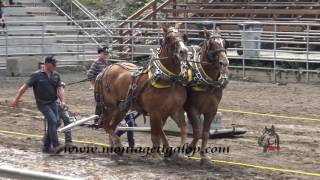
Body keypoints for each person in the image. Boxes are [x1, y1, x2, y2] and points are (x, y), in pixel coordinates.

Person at [12, 56, 65, 154]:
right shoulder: (36, 75)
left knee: (57, 122)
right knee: (53, 121)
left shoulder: (56, 75)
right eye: (54, 64)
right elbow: (24, 87)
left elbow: (60, 89)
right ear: (47, 64)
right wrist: (16, 99)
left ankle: (46, 146)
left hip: (53, 102)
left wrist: (63, 101)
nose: (55, 66)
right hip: (43, 104)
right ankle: (56, 145)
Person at [87, 46, 111, 126]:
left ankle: (103, 120)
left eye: (107, 54)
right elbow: (90, 74)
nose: (106, 56)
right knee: (99, 104)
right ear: (100, 54)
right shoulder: (96, 63)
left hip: (106, 88)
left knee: (106, 104)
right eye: (104, 54)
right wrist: (95, 84)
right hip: (99, 88)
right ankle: (96, 121)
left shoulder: (107, 63)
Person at [56, 82, 73, 146]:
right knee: (57, 123)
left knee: (67, 121)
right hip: (55, 104)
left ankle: (68, 142)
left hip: (59, 104)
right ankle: (51, 140)